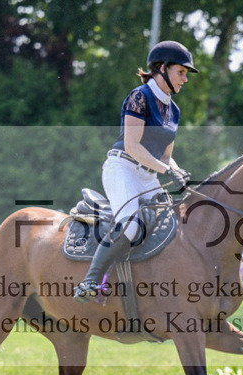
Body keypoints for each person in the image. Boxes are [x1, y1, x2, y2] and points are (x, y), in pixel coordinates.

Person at [72, 40, 199, 302]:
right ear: (162, 68)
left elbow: (166, 155)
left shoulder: (173, 110)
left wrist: (177, 170)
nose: (185, 79)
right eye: (181, 72)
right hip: (123, 169)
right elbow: (132, 146)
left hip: (148, 175)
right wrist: (166, 169)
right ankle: (90, 282)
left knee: (172, 222)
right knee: (131, 224)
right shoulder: (140, 96)